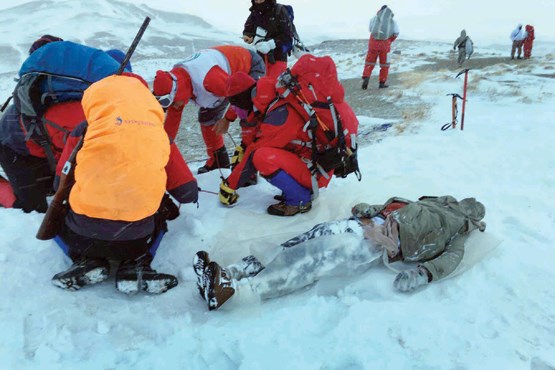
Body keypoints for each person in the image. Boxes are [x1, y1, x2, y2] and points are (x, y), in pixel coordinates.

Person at [193, 195, 487, 310]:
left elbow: (450, 260)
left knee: (313, 261)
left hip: (375, 244)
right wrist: (369, 210)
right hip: (362, 224)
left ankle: (241, 291)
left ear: (472, 218)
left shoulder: (457, 230)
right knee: (300, 240)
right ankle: (231, 272)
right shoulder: (430, 202)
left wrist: (424, 272)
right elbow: (394, 206)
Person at [49, 73, 199, 294]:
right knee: (160, 213)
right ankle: (136, 263)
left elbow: (59, 181)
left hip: (83, 236)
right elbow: (186, 192)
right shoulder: (159, 133)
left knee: (56, 219)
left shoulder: (85, 129)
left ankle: (85, 260)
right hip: (135, 237)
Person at [218, 55, 359, 217]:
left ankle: (299, 200)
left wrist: (229, 185)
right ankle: (296, 190)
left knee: (262, 157)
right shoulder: (270, 97)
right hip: (311, 163)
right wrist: (243, 147)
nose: (237, 111)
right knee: (261, 154)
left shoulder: (280, 112)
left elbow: (258, 148)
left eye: (235, 105)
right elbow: (256, 132)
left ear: (242, 99)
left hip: (316, 171)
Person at [0, 40, 119, 213]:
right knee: (31, 207)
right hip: (12, 145)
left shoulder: (93, 105)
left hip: (37, 141)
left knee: (54, 188)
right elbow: (70, 159)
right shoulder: (84, 115)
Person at [152, 45, 265, 174]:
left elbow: (239, 98)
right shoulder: (178, 85)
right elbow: (172, 121)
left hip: (248, 66)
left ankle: (248, 170)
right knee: (207, 118)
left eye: (171, 103)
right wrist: (163, 149)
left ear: (177, 93)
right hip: (224, 83)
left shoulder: (210, 79)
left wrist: (227, 119)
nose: (173, 106)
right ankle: (218, 161)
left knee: (249, 114)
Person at [242, 0, 294, 79]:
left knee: (272, 88)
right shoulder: (254, 13)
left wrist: (271, 44)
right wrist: (249, 37)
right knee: (257, 87)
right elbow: (248, 30)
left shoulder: (280, 11)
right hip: (258, 60)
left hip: (277, 60)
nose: (258, 2)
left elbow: (288, 38)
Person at [361, 5, 399, 90]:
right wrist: (389, 40)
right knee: (384, 65)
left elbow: (370, 29)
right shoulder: (392, 21)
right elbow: (396, 32)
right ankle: (382, 83)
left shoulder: (374, 19)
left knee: (369, 62)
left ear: (380, 10)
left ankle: (366, 77)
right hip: (385, 45)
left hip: (373, 44)